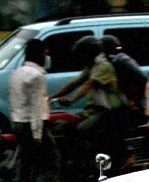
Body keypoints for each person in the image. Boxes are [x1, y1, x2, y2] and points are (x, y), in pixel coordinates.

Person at [49, 36, 125, 172]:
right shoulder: (92, 67)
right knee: (63, 125)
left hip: (107, 111)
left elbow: (89, 85)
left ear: (88, 54)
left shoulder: (104, 66)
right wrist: (52, 97)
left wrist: (71, 100)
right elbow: (74, 84)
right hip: (92, 110)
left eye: (82, 55)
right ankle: (74, 160)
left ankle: (92, 162)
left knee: (82, 129)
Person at [8, 38, 58, 182]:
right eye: (45, 53)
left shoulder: (16, 73)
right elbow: (36, 108)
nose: (47, 57)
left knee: (25, 170)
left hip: (18, 123)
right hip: (33, 126)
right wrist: (38, 134)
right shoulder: (37, 76)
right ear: (38, 54)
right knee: (51, 166)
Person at [100, 34, 149, 125]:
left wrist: (133, 100)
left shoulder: (119, 61)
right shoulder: (118, 59)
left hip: (136, 109)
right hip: (134, 105)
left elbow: (142, 79)